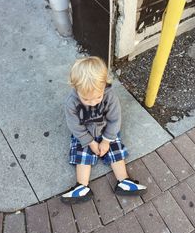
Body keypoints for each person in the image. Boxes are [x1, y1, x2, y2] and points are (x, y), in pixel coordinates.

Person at [60, 56, 147, 203]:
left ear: (104, 85)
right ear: (75, 87)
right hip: (85, 134)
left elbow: (115, 120)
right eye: (86, 99)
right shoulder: (71, 103)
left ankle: (123, 181)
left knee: (115, 150)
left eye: (97, 97)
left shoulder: (110, 96)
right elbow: (75, 125)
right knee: (82, 154)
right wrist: (90, 142)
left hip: (106, 131)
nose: (93, 102)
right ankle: (82, 187)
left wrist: (106, 141)